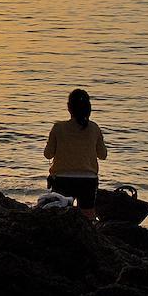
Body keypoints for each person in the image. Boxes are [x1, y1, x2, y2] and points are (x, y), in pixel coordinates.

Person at [43, 88, 107, 219]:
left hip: (61, 180)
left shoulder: (58, 128)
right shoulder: (94, 128)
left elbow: (48, 154)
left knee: (60, 217)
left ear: (69, 107)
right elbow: (103, 155)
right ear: (89, 108)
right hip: (88, 180)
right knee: (88, 217)